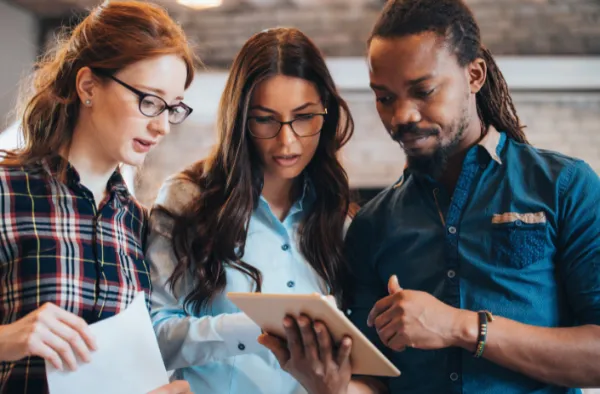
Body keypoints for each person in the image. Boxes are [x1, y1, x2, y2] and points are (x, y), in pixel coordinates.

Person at [259, 0, 600, 393]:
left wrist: (460, 326)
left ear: (474, 75)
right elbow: (376, 382)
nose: (402, 115)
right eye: (384, 97)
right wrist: (331, 385)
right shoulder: (372, 226)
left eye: (423, 91)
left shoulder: (564, 187)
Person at [0, 2, 197, 393]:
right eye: (150, 101)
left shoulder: (139, 223)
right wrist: (7, 340)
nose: (161, 126)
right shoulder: (7, 190)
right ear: (89, 86)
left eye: (172, 108)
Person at [146, 27, 355, 394]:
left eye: (304, 117)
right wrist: (253, 326)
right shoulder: (187, 199)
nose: (287, 141)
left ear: (326, 112)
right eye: (265, 119)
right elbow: (155, 335)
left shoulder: (338, 218)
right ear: (240, 119)